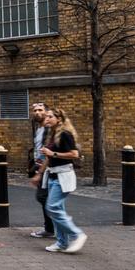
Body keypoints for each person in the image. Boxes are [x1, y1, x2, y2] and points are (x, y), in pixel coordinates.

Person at [31, 108, 88, 254]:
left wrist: (53, 153)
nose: (47, 118)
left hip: (63, 177)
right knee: (57, 210)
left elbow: (74, 154)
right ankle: (62, 243)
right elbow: (48, 158)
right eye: (47, 116)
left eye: (50, 116)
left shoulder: (65, 134)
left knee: (53, 208)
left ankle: (77, 234)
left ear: (59, 119)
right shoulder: (53, 134)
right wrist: (39, 174)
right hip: (52, 176)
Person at [29, 102, 55, 239]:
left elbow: (49, 152)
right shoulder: (37, 128)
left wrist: (39, 172)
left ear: (46, 112)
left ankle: (54, 228)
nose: (37, 112)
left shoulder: (49, 128)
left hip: (48, 168)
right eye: (35, 110)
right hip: (40, 166)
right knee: (45, 197)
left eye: (40, 110)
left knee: (44, 197)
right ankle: (51, 227)